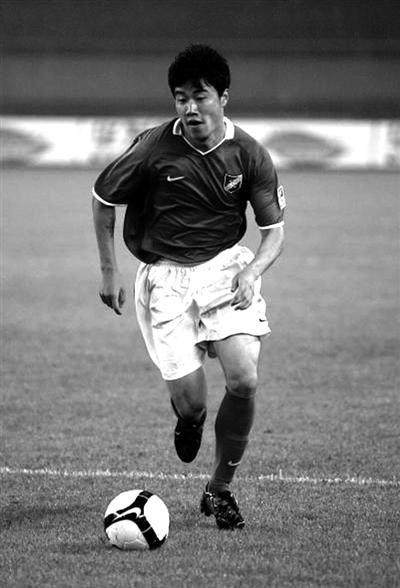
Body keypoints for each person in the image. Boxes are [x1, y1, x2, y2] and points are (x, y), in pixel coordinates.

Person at [92, 44, 285, 530]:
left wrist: (251, 272)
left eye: (200, 97)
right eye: (181, 98)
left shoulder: (249, 154)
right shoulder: (153, 147)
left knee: (243, 379)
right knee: (193, 403)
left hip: (224, 271)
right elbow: (102, 198)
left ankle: (219, 489)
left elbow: (274, 233)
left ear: (224, 97)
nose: (191, 108)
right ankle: (190, 418)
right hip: (166, 278)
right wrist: (110, 271)